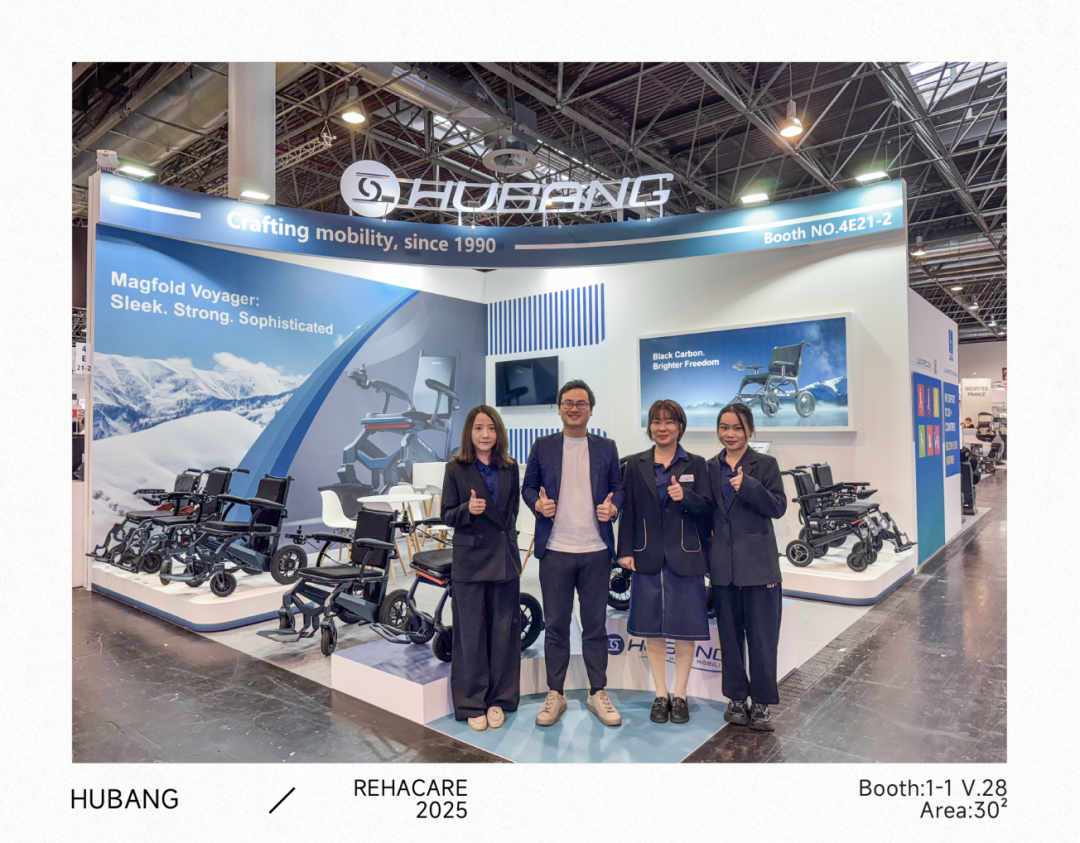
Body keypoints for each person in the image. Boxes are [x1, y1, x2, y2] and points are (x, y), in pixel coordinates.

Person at [522, 379, 625, 727]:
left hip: (596, 551)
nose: (574, 408)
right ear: (559, 408)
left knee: (595, 626)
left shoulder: (606, 447)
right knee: (555, 626)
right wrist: (537, 504)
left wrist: (613, 508)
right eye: (568, 403)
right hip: (555, 551)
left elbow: (618, 488)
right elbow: (528, 487)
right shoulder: (543, 446)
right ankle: (556, 693)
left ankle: (597, 692)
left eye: (581, 403)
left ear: (591, 410)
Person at [616, 399, 712, 724]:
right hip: (647, 555)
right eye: (656, 422)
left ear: (680, 427)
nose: (662, 427)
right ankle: (661, 694)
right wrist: (625, 551)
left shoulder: (697, 464)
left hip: (686, 555)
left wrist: (687, 497)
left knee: (684, 628)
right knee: (652, 628)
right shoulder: (635, 464)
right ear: (650, 427)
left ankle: (680, 694)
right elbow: (628, 511)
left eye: (669, 421)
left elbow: (708, 509)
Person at [705, 403, 787, 732]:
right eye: (724, 427)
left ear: (750, 430)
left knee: (762, 640)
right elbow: (707, 514)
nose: (730, 434)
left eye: (737, 428)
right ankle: (736, 698)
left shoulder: (765, 465)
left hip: (759, 568)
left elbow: (778, 507)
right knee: (730, 638)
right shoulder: (710, 467)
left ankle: (762, 702)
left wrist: (750, 487)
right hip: (723, 570)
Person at [440, 405, 522, 732]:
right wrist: (467, 509)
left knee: (504, 633)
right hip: (470, 562)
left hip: (504, 560)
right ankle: (472, 703)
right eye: (478, 428)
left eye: (490, 428)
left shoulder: (510, 467)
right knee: (470, 634)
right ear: (469, 433)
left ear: (498, 432)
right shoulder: (455, 469)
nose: (485, 434)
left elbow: (512, 512)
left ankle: (500, 699)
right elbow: (447, 514)